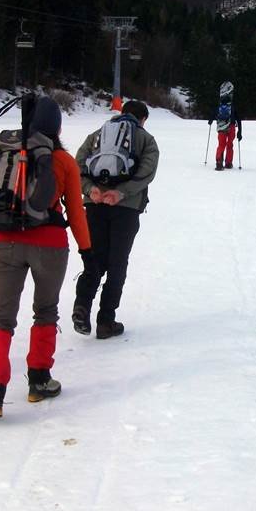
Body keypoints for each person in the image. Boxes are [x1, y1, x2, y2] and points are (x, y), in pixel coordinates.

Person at [0, 95, 92, 420]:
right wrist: (86, 248)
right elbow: (76, 211)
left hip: (6, 242)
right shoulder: (63, 160)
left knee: (0, 318)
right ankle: (39, 381)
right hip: (50, 245)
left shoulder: (8, 154)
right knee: (46, 311)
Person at [72, 100, 159, 340]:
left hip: (95, 204)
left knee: (95, 258)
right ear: (143, 119)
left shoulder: (97, 134)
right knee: (117, 262)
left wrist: (91, 189)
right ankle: (106, 321)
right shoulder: (146, 140)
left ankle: (82, 305)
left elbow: (77, 166)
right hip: (126, 208)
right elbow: (146, 173)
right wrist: (120, 193)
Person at [208, 80, 242, 170]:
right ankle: (228, 163)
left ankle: (219, 162)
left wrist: (210, 120)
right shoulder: (232, 105)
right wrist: (240, 132)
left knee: (221, 144)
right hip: (231, 126)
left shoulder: (219, 105)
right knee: (229, 145)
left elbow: (213, 114)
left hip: (221, 126)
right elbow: (238, 118)